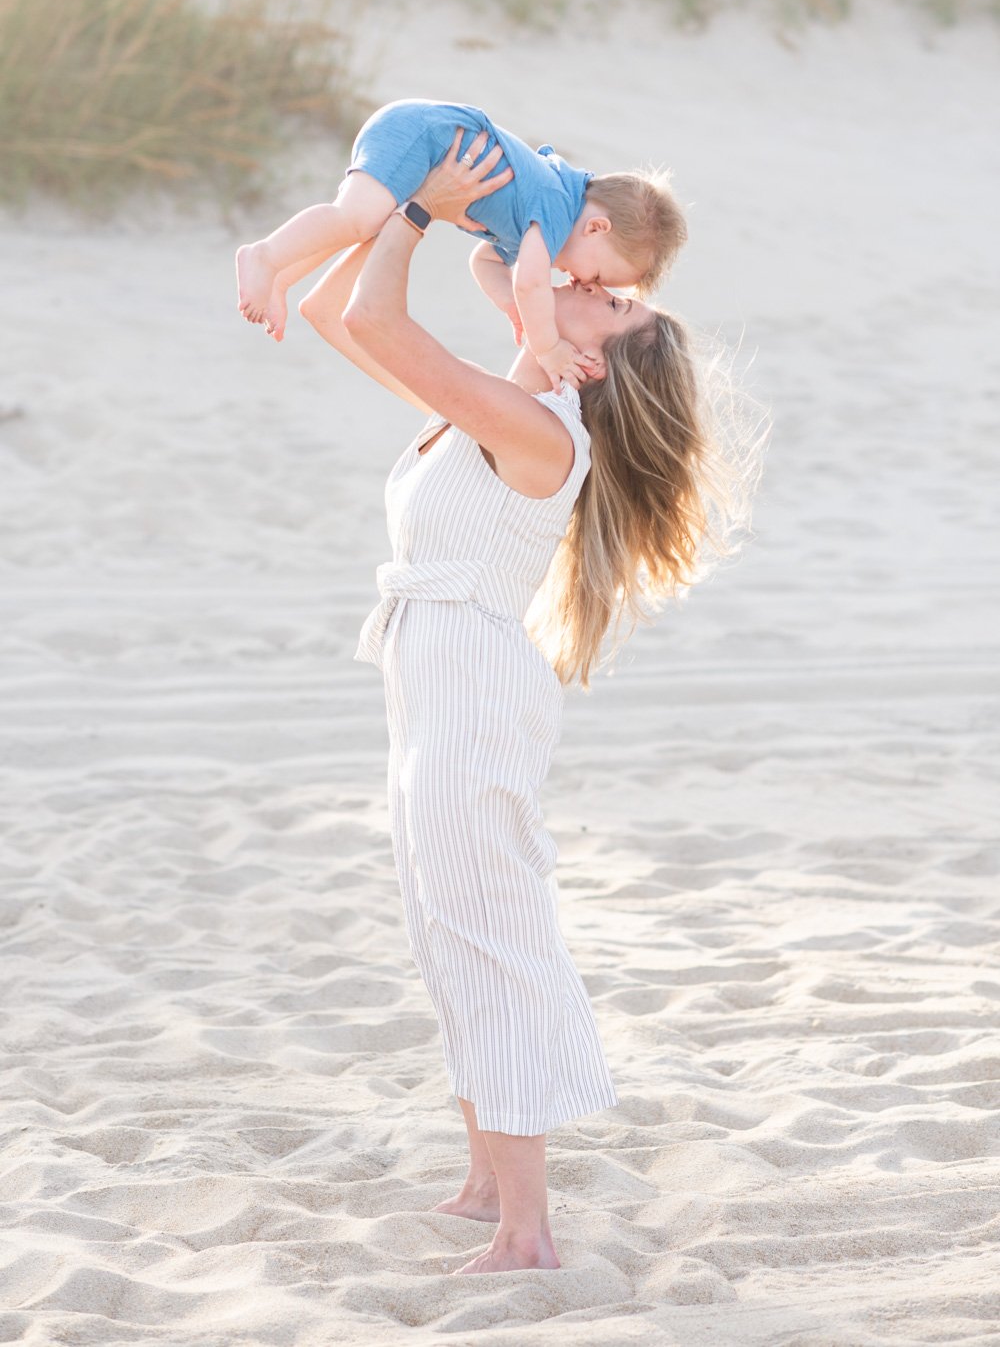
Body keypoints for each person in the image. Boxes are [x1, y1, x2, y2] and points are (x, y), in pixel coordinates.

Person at [296, 130, 759, 1274]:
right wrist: (433, 218)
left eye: (615, 306)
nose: (595, 288)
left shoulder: (538, 432)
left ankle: (528, 1231)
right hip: (435, 687)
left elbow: (376, 321)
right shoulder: (501, 400)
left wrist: (408, 212)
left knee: (489, 937)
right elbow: (330, 316)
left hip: (472, 702)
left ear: (596, 363)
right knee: (440, 931)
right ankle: (481, 1182)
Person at [236, 97, 686, 390]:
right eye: (601, 275)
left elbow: (485, 260)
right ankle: (265, 254)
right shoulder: (555, 207)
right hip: (427, 138)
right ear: (597, 229)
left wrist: (510, 306)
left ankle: (281, 276)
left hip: (423, 135)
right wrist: (547, 345)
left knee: (363, 224)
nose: (585, 282)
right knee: (354, 218)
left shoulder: (540, 221)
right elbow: (530, 286)